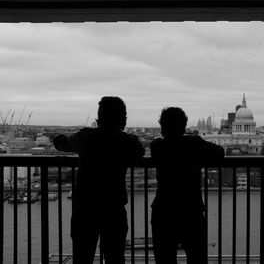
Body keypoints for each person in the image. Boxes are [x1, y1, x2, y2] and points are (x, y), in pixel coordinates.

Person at [53, 96, 145, 264]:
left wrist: (57, 137)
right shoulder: (126, 141)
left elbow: (62, 144)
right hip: (113, 207)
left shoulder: (85, 137)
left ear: (99, 118)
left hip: (85, 208)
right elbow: (140, 151)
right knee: (115, 257)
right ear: (122, 120)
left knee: (82, 256)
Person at [150, 107, 224, 264]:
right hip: (191, 211)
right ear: (184, 126)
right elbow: (219, 152)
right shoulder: (194, 144)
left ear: (162, 125)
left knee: (164, 260)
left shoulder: (157, 147)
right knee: (197, 259)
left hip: (164, 211)